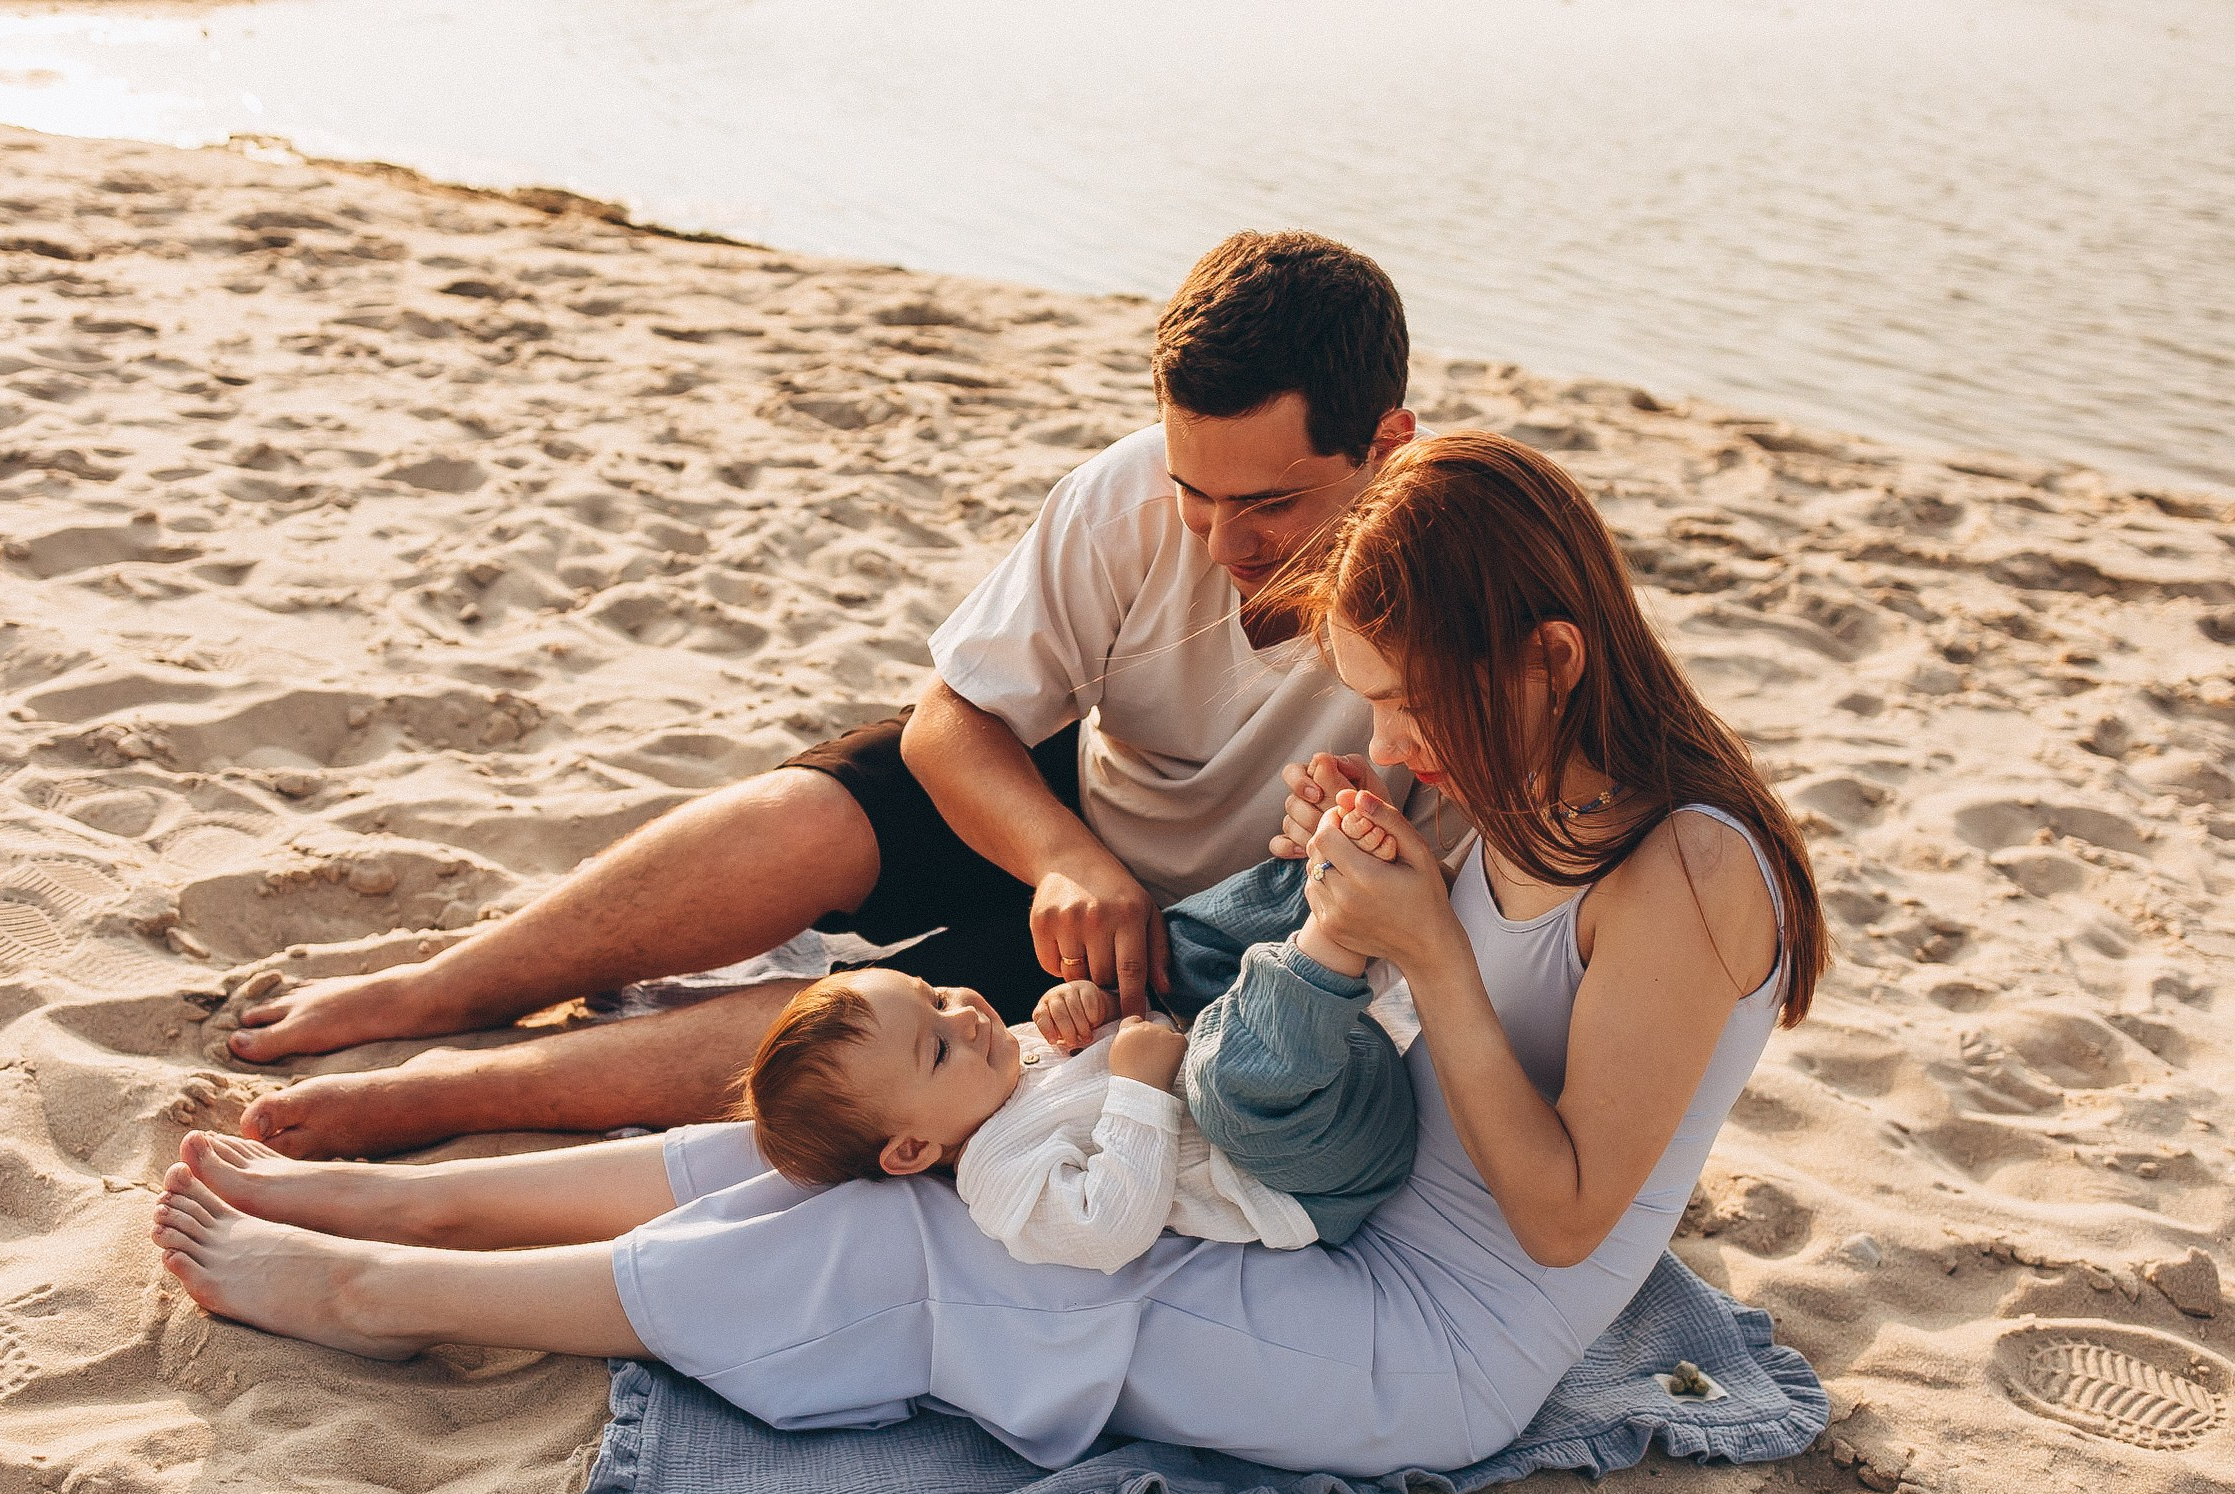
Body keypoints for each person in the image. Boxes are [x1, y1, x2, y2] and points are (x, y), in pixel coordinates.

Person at [150, 431, 1828, 1478]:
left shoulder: (1685, 871)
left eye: (1407, 708)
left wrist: (1430, 961)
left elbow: (1562, 1215)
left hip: (1420, 1339)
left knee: (909, 1248)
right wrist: (1346, 869)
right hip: (1303, 1210)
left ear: (1549, 659)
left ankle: (381, 1287)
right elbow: (1375, 994)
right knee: (939, 1136)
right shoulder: (1505, 784)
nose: (1391, 744)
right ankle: (399, 1203)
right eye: (1371, 707)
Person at [219, 229, 1441, 1160]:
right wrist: (1064, 858)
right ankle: (440, 988)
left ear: (1389, 443)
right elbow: (950, 723)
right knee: (821, 811)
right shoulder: (1128, 494)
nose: (1220, 540)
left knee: (867, 1047)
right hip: (1077, 813)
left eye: (1268, 505)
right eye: (1195, 492)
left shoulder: (1473, 576)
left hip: (1204, 939)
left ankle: (450, 1090)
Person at [735, 805, 1411, 1274]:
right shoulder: (997, 1176)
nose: (963, 1017)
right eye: (937, 1049)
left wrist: (1089, 1007)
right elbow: (1107, 1227)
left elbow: (1119, 1043)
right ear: (912, 1149)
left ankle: (1332, 877)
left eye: (935, 997)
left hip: (1302, 1062)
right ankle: (1337, 934)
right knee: (1224, 1089)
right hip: (1300, 1165)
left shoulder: (1001, 1060)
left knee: (1167, 950)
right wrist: (1138, 1088)